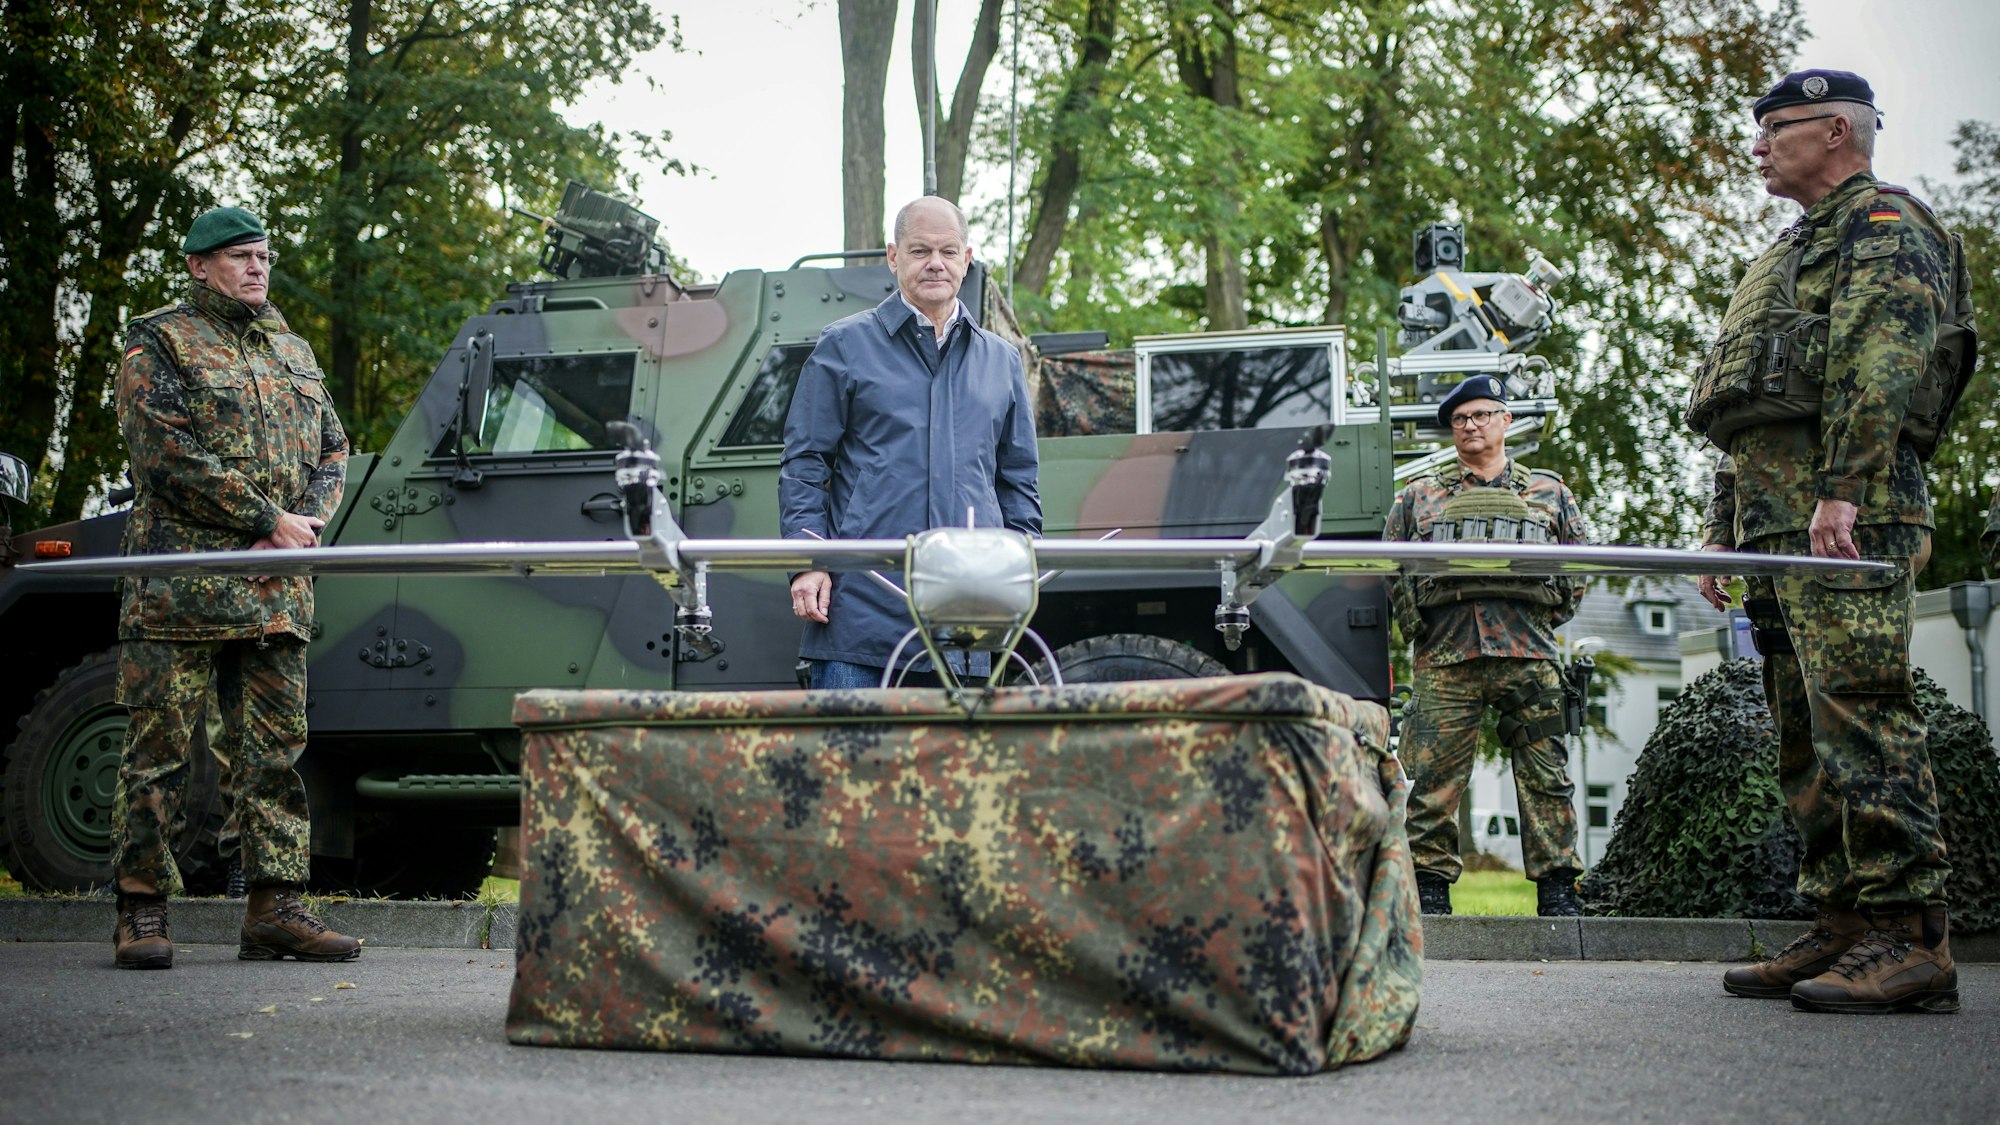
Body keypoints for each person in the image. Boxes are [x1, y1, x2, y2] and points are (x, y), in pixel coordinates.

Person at [1693, 70, 1958, 1014]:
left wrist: (1844, 490)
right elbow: (1753, 401)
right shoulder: (1790, 248)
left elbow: (1881, 363)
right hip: (1778, 523)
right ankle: (1844, 923)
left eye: (1776, 128)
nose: (1758, 145)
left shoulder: (1882, 226)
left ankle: (1909, 935)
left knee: (1861, 713)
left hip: (1849, 514)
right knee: (1802, 733)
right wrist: (1725, 527)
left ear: (1837, 130)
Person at [110, 206, 360, 968]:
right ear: (197, 265)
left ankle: (273, 907)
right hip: (181, 581)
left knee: (274, 753)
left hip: (272, 585)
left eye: (263, 255)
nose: (256, 268)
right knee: (158, 750)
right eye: (240, 256)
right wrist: (265, 518)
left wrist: (297, 528)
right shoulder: (159, 339)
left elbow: (334, 446)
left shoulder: (291, 346)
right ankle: (142, 908)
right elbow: (163, 453)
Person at [780, 196, 1041, 688]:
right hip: (861, 613)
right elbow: (805, 463)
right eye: (920, 250)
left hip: (969, 616)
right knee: (853, 765)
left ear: (967, 259)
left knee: (960, 768)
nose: (935, 263)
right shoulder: (844, 345)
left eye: (948, 251)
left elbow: (1018, 481)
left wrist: (1022, 567)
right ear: (892, 256)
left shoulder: (1002, 361)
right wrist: (806, 563)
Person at [1384, 375, 1590, 918]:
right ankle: (1428, 893)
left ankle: (1558, 894)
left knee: (1548, 777)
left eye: (1481, 415)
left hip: (1530, 658)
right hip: (1446, 660)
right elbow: (1394, 568)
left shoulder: (1550, 492)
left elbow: (1576, 567)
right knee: (1429, 783)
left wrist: (1541, 620)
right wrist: (1420, 629)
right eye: (1460, 419)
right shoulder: (1419, 496)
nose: (1470, 426)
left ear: (1506, 420)